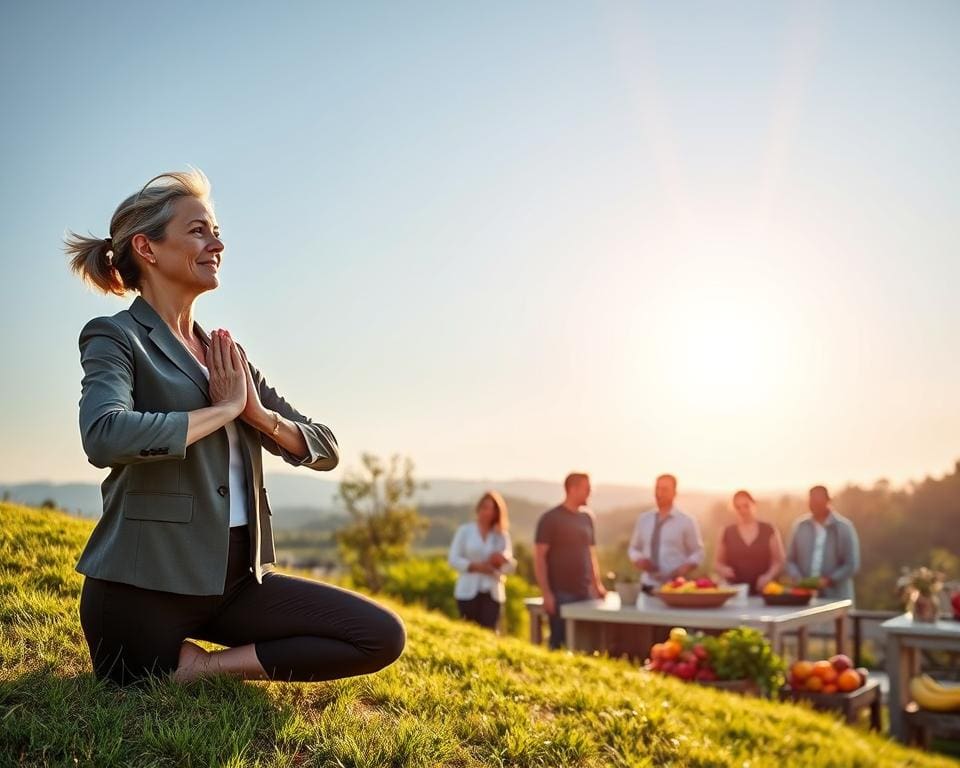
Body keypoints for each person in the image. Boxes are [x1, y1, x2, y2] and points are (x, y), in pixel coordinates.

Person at [65, 168, 405, 687]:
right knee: (134, 684)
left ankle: (206, 667)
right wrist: (221, 412)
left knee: (380, 634)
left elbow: (326, 447)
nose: (217, 243)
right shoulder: (116, 337)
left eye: (215, 230)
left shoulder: (228, 354)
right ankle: (181, 662)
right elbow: (104, 434)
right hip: (142, 590)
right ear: (147, 248)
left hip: (236, 582)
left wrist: (257, 415)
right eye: (198, 230)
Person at [534, 472, 607, 650]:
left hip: (585, 593)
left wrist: (597, 585)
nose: (590, 492)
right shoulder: (550, 518)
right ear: (572, 489)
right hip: (560, 595)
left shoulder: (587, 518)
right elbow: (539, 557)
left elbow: (590, 554)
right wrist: (547, 593)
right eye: (587, 488)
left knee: (585, 645)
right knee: (559, 644)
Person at [447, 491, 517, 632]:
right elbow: (453, 559)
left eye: (492, 509)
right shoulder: (465, 531)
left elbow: (511, 566)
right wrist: (476, 566)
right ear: (478, 509)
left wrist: (501, 561)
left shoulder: (501, 535)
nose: (488, 512)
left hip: (493, 591)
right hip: (467, 591)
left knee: (490, 632)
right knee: (467, 630)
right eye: (485, 507)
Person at [628, 474, 705, 592]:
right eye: (657, 489)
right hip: (647, 585)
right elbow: (633, 548)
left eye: (664, 489)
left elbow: (698, 552)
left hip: (675, 588)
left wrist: (683, 569)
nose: (659, 493)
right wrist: (639, 559)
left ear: (675, 493)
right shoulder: (644, 519)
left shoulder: (686, 521)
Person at [785, 485, 860, 602]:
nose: (814, 505)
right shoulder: (800, 526)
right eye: (811, 501)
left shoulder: (844, 528)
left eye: (817, 501)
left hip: (836, 599)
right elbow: (790, 560)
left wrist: (829, 580)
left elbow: (851, 564)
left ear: (828, 501)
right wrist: (797, 578)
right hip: (805, 598)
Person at [714, 490, 786, 594]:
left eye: (746, 505)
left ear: (754, 504)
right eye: (737, 507)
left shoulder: (769, 530)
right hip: (735, 592)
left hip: (765, 592)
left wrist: (768, 576)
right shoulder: (727, 532)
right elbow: (717, 563)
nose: (742, 510)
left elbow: (779, 561)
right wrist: (723, 570)